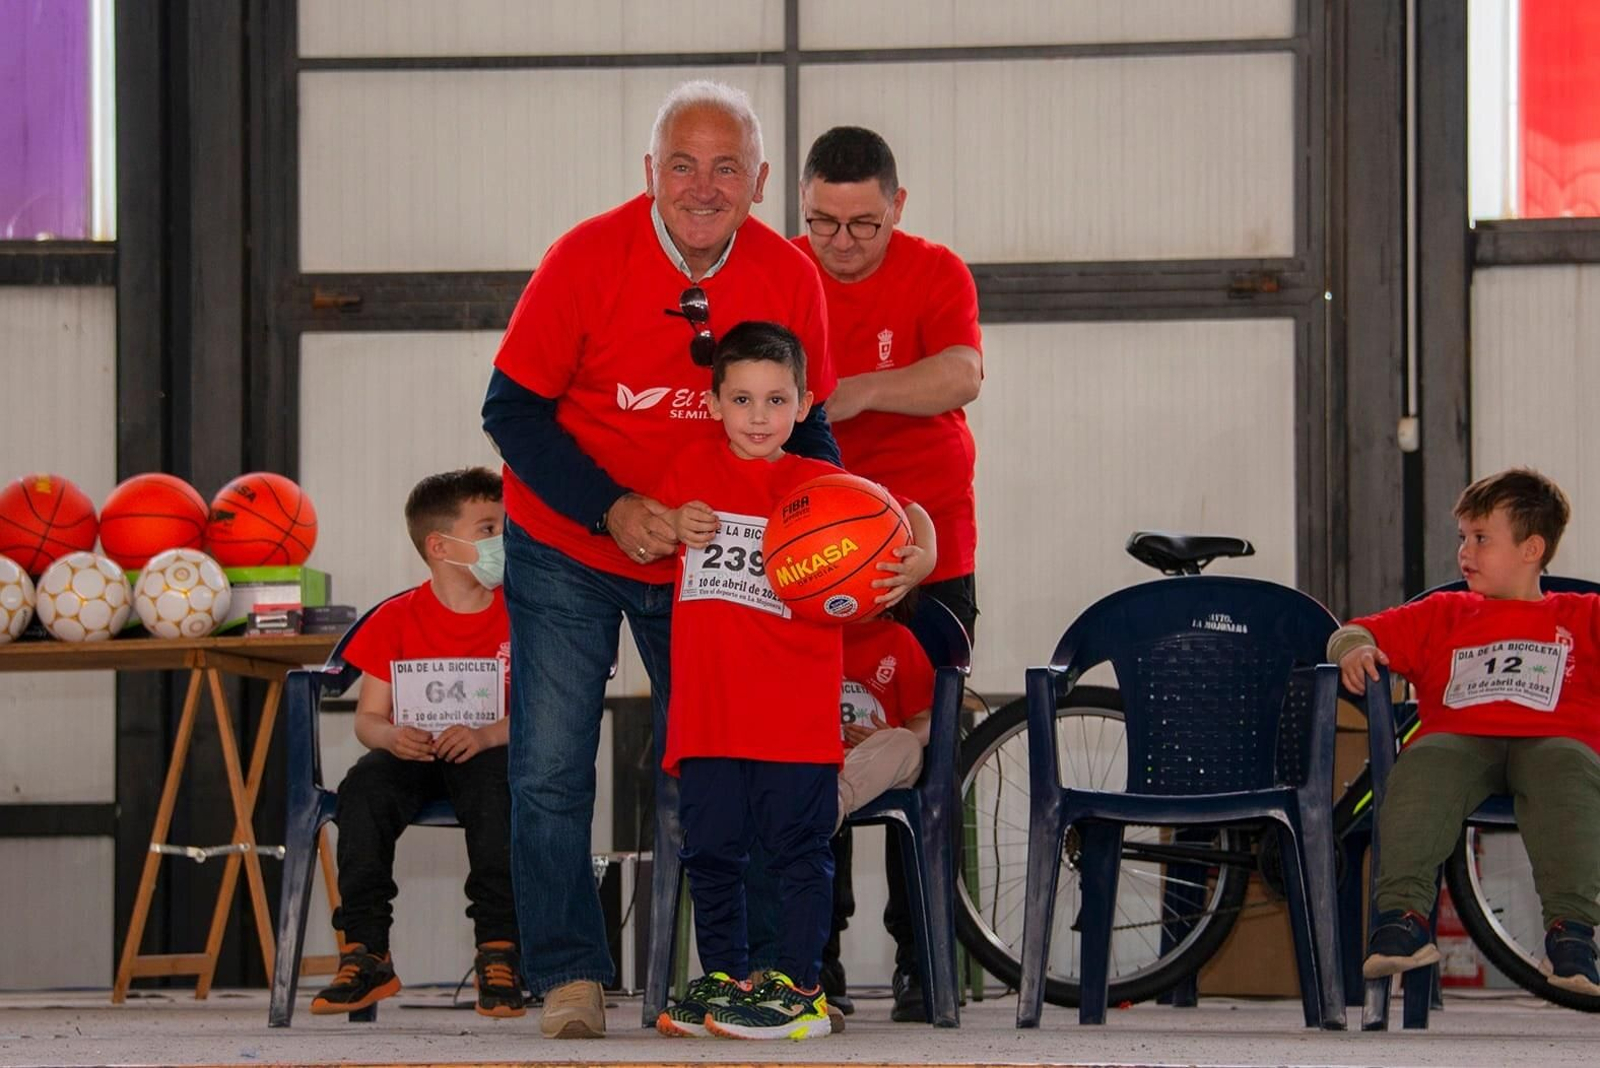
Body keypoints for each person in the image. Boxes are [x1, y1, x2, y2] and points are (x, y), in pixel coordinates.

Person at [480, 80, 842, 1039]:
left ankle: (763, 981)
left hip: (718, 560)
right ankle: (568, 976)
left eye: (728, 166)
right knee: (553, 765)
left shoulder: (791, 275)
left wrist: (865, 531)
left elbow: (816, 434)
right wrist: (611, 508)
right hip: (570, 542)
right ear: (651, 172)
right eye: (682, 163)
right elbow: (509, 412)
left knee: (742, 756)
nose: (703, 184)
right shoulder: (584, 258)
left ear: (760, 180)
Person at [651, 321, 935, 1041]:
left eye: (776, 401)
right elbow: (647, 530)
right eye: (741, 399)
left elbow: (916, 517)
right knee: (710, 851)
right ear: (712, 402)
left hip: (796, 719)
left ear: (805, 404)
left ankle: (800, 987)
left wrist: (921, 559)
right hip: (709, 714)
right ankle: (725, 981)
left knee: (798, 854)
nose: (757, 417)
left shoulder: (826, 487)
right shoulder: (687, 468)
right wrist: (669, 522)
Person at [794, 124, 982, 1019]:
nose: (841, 242)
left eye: (863, 224)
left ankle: (922, 960)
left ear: (896, 206)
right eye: (824, 222)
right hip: (807, 559)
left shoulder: (936, 270)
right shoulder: (778, 271)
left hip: (928, 555)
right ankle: (810, 961)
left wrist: (859, 389)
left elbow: (961, 374)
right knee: (809, 749)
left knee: (922, 753)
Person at [1332, 468, 1600, 995]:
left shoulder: (1584, 614)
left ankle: (1572, 936)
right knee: (1422, 766)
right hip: (1459, 739)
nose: (1465, 552)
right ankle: (1401, 920)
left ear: (1532, 549)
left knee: (1568, 772)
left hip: (1554, 744)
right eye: (1463, 539)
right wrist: (1355, 649)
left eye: (1481, 539)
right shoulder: (1445, 611)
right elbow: (1355, 630)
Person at [310, 467, 523, 1019]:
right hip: (414, 754)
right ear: (439, 545)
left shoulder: (521, 617)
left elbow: (540, 714)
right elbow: (369, 720)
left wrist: (484, 734)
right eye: (488, 528)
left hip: (487, 752)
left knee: (499, 790)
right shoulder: (396, 618)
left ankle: (499, 951)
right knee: (363, 791)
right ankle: (366, 951)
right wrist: (393, 738)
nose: (504, 539)